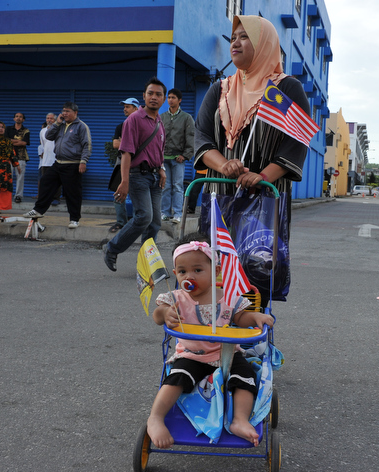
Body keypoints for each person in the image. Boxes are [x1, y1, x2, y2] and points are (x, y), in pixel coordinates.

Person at [193, 15, 309, 301]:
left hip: (264, 198)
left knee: (258, 270)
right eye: (233, 37)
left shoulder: (286, 88)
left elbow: (296, 143)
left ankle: (254, 340)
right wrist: (224, 164)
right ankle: (216, 341)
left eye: (244, 37)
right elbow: (202, 138)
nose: (235, 42)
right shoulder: (218, 89)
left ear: (264, 43)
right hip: (219, 194)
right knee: (214, 270)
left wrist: (262, 176)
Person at [147, 234, 274, 449]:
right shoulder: (176, 298)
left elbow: (239, 319)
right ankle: (155, 418)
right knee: (177, 377)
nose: (190, 276)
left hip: (225, 354)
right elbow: (157, 315)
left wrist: (255, 317)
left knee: (246, 377)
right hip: (191, 355)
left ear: (215, 272)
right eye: (182, 271)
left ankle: (239, 420)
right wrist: (165, 313)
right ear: (175, 273)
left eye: (198, 270)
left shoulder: (228, 297)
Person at [102, 78, 166, 271]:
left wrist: (161, 169)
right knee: (144, 216)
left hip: (155, 177)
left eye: (158, 94)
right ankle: (112, 248)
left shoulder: (159, 121)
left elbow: (159, 150)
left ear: (163, 99)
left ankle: (146, 265)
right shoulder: (133, 120)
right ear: (144, 96)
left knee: (155, 222)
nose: (154, 97)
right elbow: (126, 153)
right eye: (150, 93)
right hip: (138, 175)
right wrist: (124, 181)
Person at [24, 101, 91, 229]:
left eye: (67, 111)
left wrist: (83, 161)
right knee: (45, 181)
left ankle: (74, 219)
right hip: (58, 163)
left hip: (73, 164)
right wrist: (57, 123)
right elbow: (48, 136)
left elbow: (86, 145)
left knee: (73, 193)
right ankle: (39, 210)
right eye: (63, 111)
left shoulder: (81, 126)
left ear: (75, 113)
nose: (64, 113)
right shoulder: (59, 125)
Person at [160, 88, 195, 224]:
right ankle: (165, 213)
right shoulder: (162, 117)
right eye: (169, 97)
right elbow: (158, 138)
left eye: (173, 97)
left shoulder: (186, 118)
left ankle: (178, 214)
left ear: (179, 100)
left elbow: (191, 138)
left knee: (178, 186)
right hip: (163, 159)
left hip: (178, 159)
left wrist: (186, 155)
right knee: (165, 186)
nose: (170, 100)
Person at [110, 97, 141, 233]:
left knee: (137, 194)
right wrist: (127, 143)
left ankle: (136, 223)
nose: (125, 109)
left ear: (136, 108)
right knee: (118, 192)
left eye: (128, 106)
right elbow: (115, 144)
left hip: (137, 164)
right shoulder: (120, 126)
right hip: (120, 162)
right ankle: (120, 222)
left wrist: (125, 142)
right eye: (124, 106)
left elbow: (137, 146)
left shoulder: (141, 125)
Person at [6, 112, 30, 203]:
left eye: (20, 117)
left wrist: (11, 141)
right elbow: (5, 141)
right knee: (8, 177)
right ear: (14, 119)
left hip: (21, 157)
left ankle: (18, 196)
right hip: (9, 156)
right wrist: (18, 141)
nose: (18, 118)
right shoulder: (8, 129)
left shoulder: (26, 131)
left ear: (23, 119)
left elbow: (24, 143)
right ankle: (7, 195)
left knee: (20, 177)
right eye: (16, 116)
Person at [37, 113, 60, 206]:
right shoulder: (43, 131)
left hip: (56, 159)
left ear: (55, 120)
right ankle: (46, 198)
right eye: (47, 118)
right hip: (46, 160)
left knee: (57, 180)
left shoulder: (59, 129)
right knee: (45, 180)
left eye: (51, 118)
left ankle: (56, 198)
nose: (49, 120)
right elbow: (42, 144)